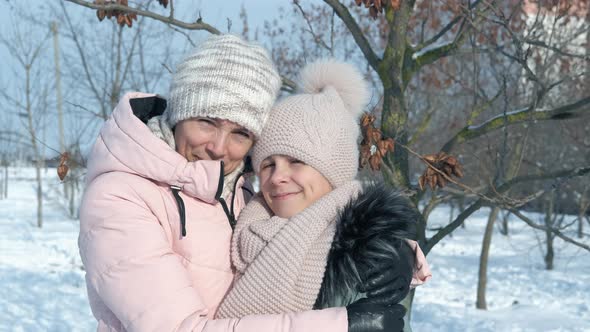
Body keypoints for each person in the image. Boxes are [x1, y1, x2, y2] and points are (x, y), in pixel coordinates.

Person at [79, 34, 411, 332]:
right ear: (179, 114)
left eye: (240, 133)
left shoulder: (241, 192)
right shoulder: (120, 198)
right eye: (206, 121)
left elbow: (309, 228)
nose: (219, 148)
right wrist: (341, 326)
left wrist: (386, 248)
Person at [216, 60, 432, 331]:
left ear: (334, 173)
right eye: (268, 164)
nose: (276, 177)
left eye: (296, 161)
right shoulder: (245, 229)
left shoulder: (365, 259)